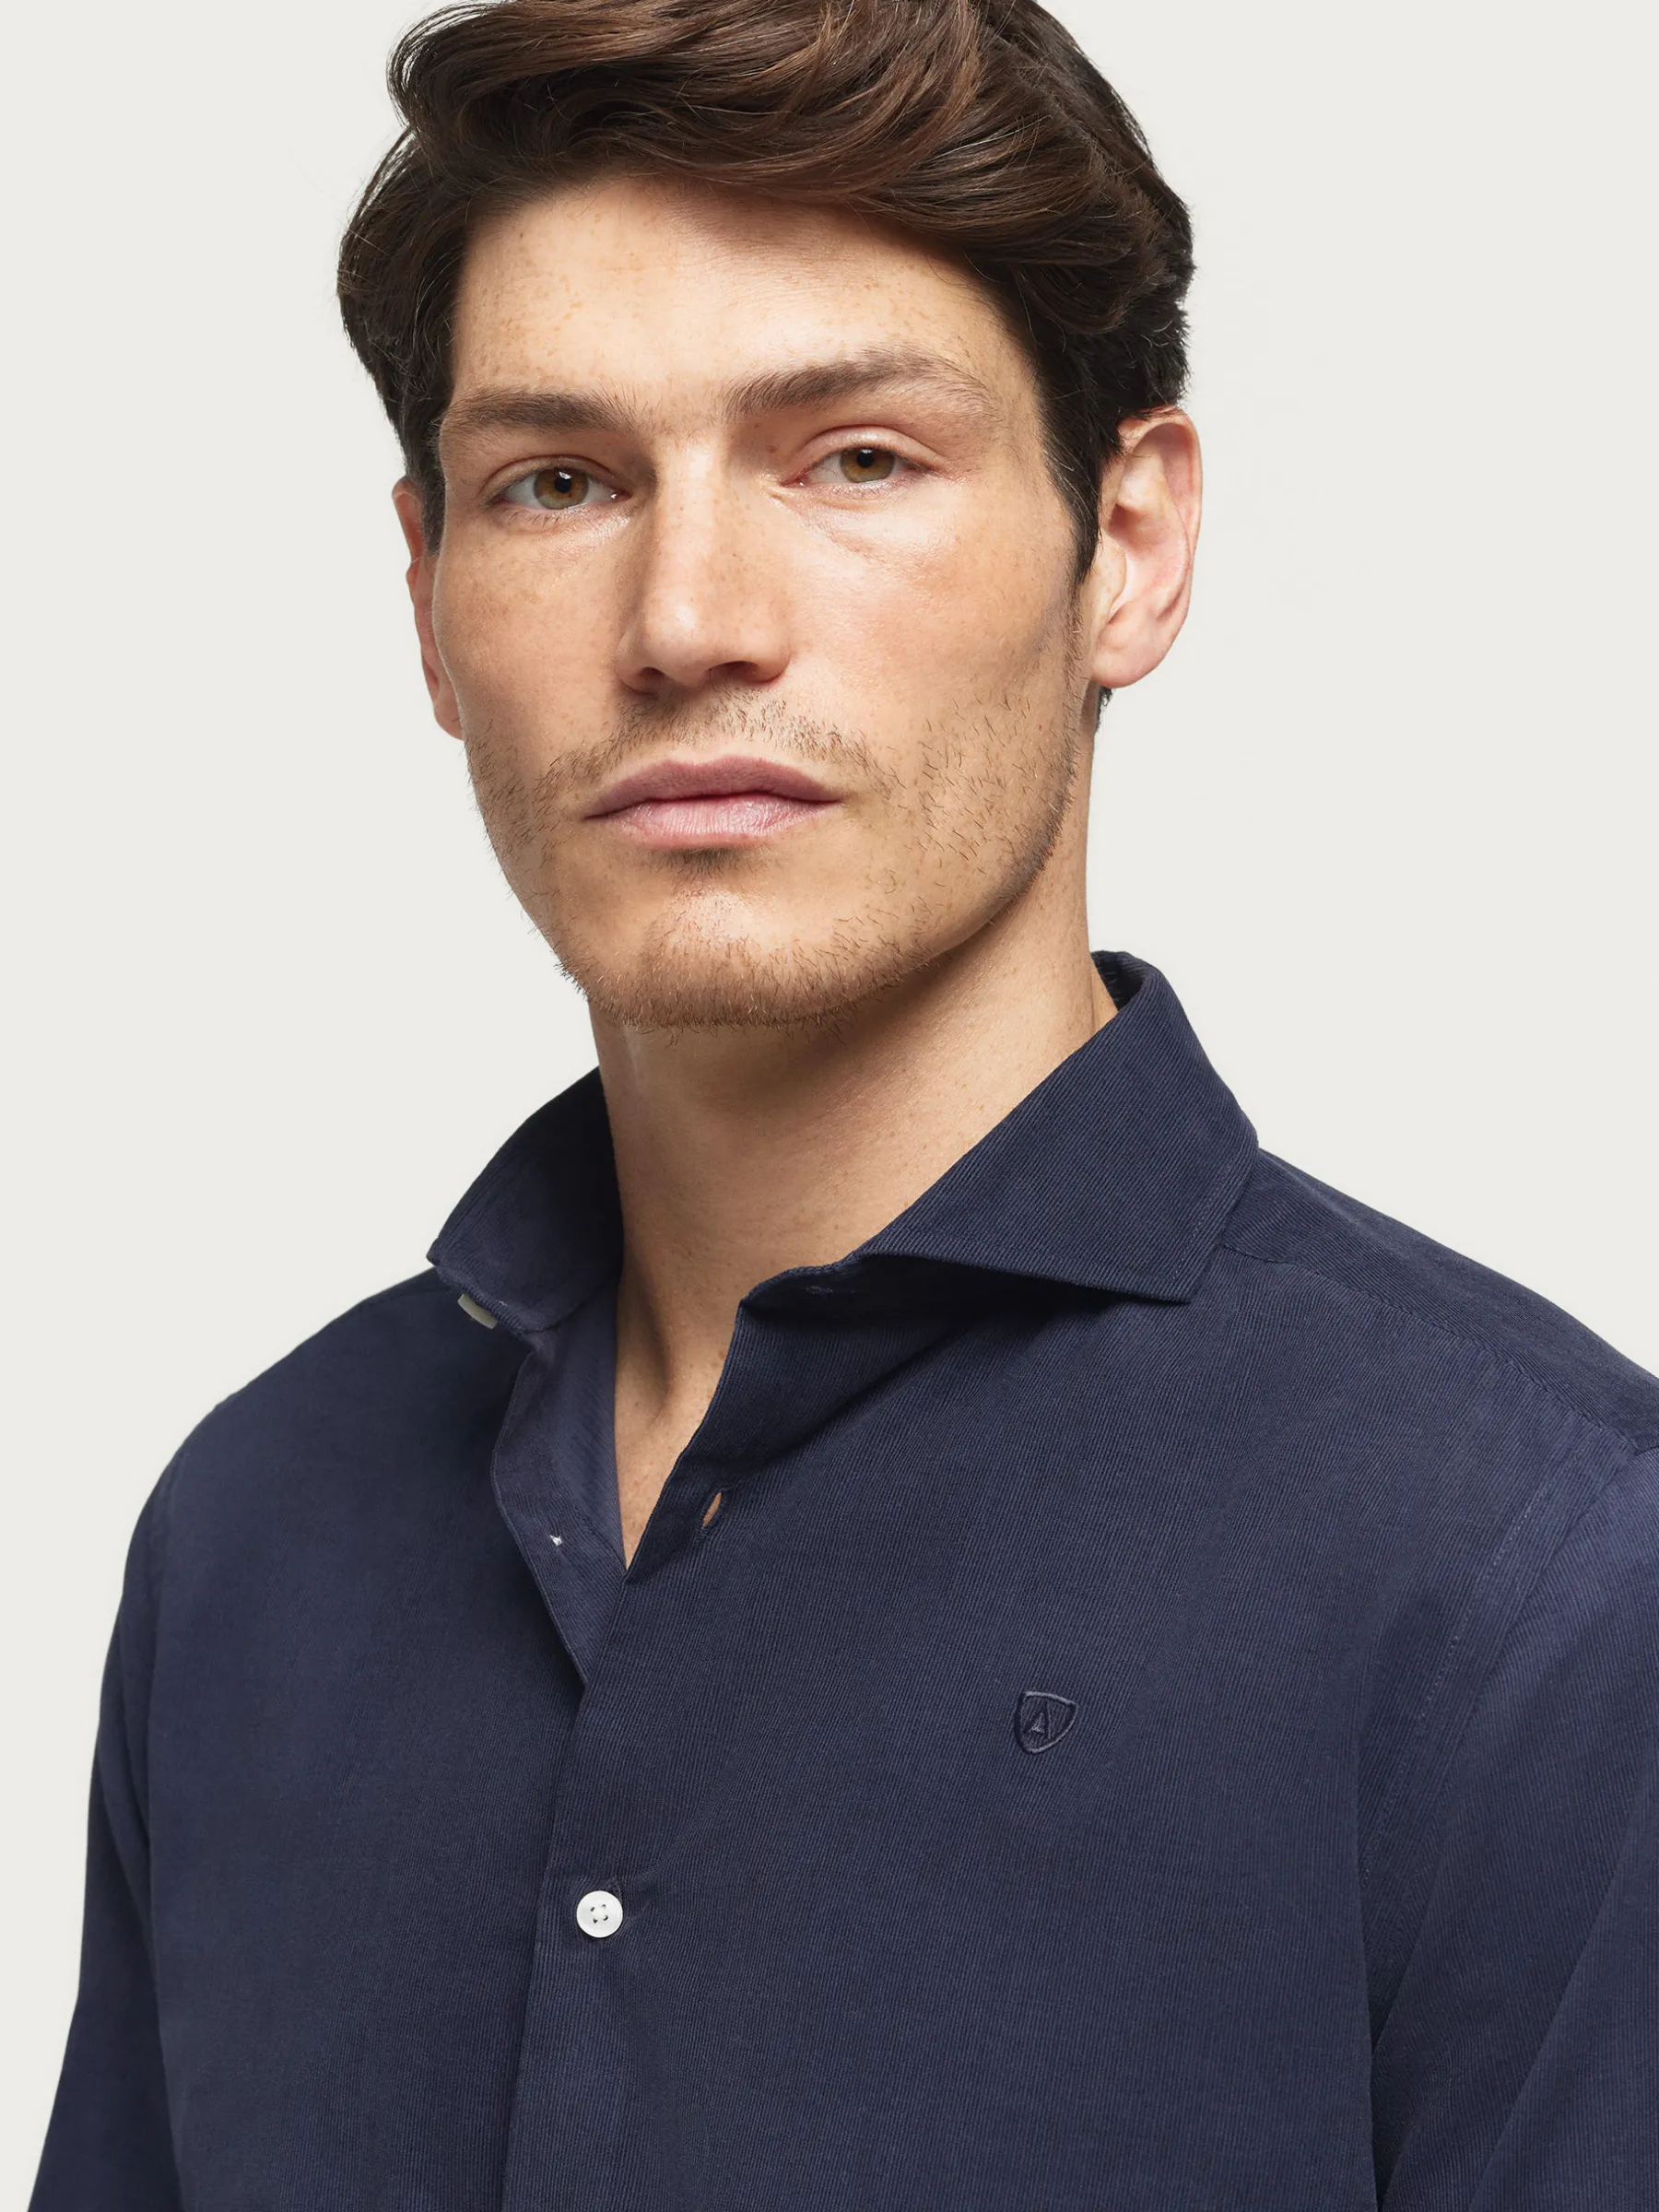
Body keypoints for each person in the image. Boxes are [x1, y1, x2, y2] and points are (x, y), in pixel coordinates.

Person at [30, 0, 1657, 2203]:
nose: (690, 619)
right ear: (427, 599)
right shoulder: (260, 1531)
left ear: (1131, 542)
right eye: (560, 483)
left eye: (857, 458)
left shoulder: (1551, 1579)